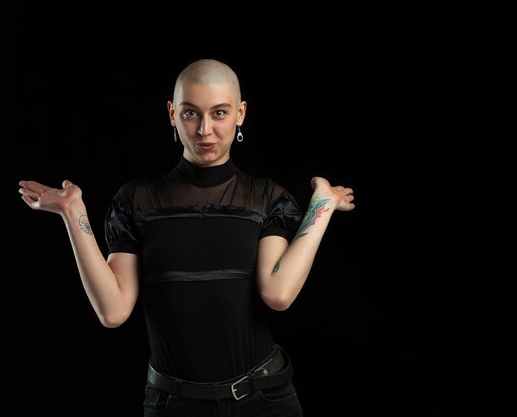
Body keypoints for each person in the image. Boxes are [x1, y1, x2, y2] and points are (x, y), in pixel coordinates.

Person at [19, 58, 355, 416]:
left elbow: (279, 293)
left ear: (240, 113)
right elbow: (113, 310)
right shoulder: (136, 200)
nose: (204, 130)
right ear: (172, 113)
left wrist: (321, 207)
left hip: (263, 401)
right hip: (172, 405)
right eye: (191, 113)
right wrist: (74, 213)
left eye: (220, 113)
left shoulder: (267, 199)